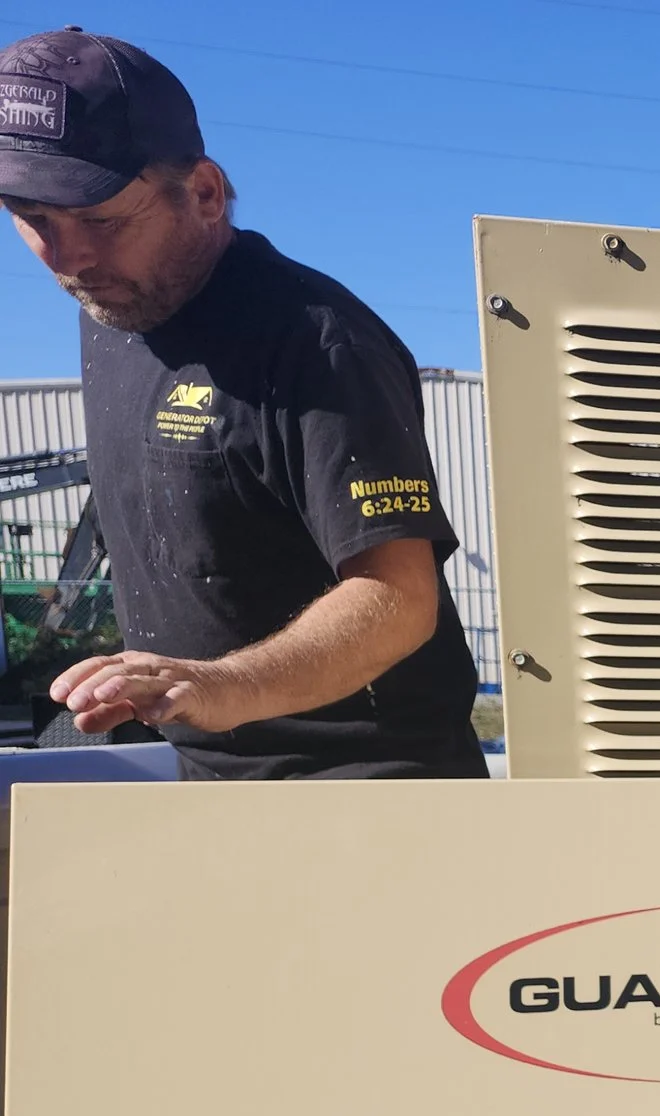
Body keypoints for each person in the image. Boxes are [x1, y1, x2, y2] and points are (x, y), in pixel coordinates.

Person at [0, 28, 484, 777]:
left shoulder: (315, 342)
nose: (69, 261)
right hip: (212, 776)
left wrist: (220, 684)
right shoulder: (110, 312)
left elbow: (398, 598)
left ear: (203, 192)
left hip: (374, 788)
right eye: (33, 219)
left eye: (99, 220)